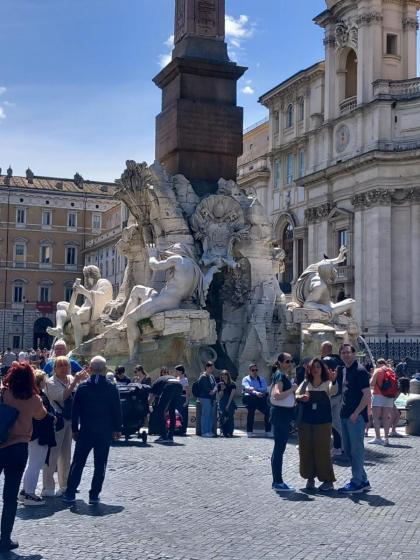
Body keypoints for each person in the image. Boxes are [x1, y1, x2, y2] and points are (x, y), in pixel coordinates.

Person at [0, 362, 47, 552]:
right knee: (10, 497)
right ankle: (5, 540)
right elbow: (41, 416)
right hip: (18, 448)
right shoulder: (34, 398)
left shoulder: (4, 392)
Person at [63, 356, 122, 505]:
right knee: (100, 463)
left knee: (78, 462)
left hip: (86, 430)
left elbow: (75, 410)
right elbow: (117, 410)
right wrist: (117, 428)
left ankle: (70, 492)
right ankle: (94, 495)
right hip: (104, 431)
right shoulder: (111, 387)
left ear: (89, 368)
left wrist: (75, 429)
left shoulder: (83, 387)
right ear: (104, 369)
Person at [43, 356, 89, 497]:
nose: (64, 368)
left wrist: (83, 379)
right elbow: (63, 396)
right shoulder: (51, 382)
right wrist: (75, 381)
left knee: (66, 453)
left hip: (70, 419)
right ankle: (48, 487)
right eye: (60, 365)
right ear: (54, 368)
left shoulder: (70, 378)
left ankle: (65, 484)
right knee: (52, 454)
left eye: (66, 365)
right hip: (58, 421)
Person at [296, 358, 338, 491]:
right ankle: (310, 478)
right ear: (309, 369)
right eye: (313, 367)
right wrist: (300, 397)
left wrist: (334, 380)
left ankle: (328, 480)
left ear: (322, 369)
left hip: (323, 421)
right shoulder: (305, 382)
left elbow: (333, 391)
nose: (315, 369)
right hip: (306, 421)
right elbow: (296, 394)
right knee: (306, 449)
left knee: (322, 450)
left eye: (318, 367)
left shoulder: (327, 383)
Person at [47, 265, 113, 348]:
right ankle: (59, 328)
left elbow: (102, 299)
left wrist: (84, 291)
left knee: (76, 316)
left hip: (95, 311)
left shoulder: (103, 282)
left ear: (91, 276)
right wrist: (77, 291)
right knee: (60, 305)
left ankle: (78, 347)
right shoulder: (91, 287)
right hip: (85, 308)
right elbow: (81, 306)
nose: (85, 280)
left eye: (86, 277)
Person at [337, 343, 371, 494]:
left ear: (354, 353)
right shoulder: (346, 370)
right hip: (345, 416)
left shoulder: (360, 370)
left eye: (348, 352)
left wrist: (357, 413)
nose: (346, 355)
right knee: (350, 451)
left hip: (355, 418)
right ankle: (363, 480)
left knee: (356, 450)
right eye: (343, 353)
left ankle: (356, 482)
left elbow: (367, 395)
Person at [20, 370, 57, 506]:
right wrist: (53, 418)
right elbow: (43, 415)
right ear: (40, 382)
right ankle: (29, 494)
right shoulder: (38, 396)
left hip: (32, 434)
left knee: (32, 464)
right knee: (35, 465)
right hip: (40, 434)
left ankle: (25, 491)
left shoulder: (27, 395)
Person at [270, 353, 298, 493]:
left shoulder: (281, 375)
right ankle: (278, 481)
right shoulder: (280, 376)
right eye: (287, 361)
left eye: (291, 361)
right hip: (280, 415)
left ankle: (277, 480)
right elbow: (277, 394)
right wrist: (292, 389)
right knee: (279, 448)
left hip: (283, 415)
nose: (290, 363)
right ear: (280, 363)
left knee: (279, 448)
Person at [369, 359, 396, 446]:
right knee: (386, 418)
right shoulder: (391, 370)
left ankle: (378, 438)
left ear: (378, 364)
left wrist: (372, 375)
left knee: (376, 418)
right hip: (389, 397)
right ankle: (386, 438)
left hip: (378, 396)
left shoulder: (378, 370)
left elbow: (372, 383)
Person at [148, 374, 183, 443]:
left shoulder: (155, 385)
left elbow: (151, 398)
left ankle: (163, 436)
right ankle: (170, 436)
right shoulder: (161, 380)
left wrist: (147, 406)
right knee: (172, 411)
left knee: (159, 411)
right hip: (179, 385)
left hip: (169, 386)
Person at [241, 364, 271, 437]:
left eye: (256, 370)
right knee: (251, 411)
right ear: (249, 371)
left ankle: (268, 431)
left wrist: (256, 390)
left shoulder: (261, 379)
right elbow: (247, 388)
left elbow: (264, 388)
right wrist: (256, 392)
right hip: (250, 399)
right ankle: (249, 431)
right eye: (253, 370)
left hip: (260, 398)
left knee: (268, 411)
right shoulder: (246, 379)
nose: (255, 372)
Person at [197, 361, 218, 438]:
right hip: (205, 398)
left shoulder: (212, 376)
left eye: (212, 367)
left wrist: (214, 390)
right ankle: (204, 432)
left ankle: (209, 431)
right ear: (206, 367)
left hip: (212, 398)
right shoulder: (203, 376)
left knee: (210, 415)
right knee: (205, 414)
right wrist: (211, 391)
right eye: (210, 367)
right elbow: (204, 387)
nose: (212, 369)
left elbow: (215, 385)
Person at [217, 370, 237, 437]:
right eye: (222, 376)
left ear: (228, 376)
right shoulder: (220, 384)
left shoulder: (232, 384)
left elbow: (232, 396)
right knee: (222, 417)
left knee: (230, 417)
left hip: (230, 402)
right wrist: (222, 389)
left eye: (225, 375)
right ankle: (223, 432)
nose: (224, 377)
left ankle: (230, 432)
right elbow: (220, 396)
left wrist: (228, 405)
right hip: (222, 402)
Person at [175, 365, 190, 436]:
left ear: (181, 371)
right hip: (177, 398)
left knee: (183, 414)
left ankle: (183, 429)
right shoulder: (177, 378)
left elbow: (187, 391)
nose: (176, 372)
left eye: (177, 371)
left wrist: (187, 401)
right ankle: (177, 427)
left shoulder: (185, 379)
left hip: (183, 398)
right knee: (177, 414)